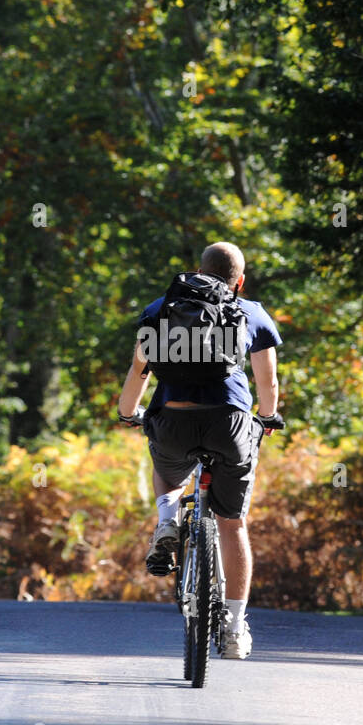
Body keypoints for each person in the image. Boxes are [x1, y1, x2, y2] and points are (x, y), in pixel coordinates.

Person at [116, 242, 284, 659]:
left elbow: (140, 368)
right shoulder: (252, 312)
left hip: (172, 420)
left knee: (170, 472)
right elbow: (268, 384)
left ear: (198, 271)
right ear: (239, 281)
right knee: (232, 523)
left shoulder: (160, 308)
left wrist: (127, 412)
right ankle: (233, 629)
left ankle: (168, 520)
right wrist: (267, 417)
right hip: (228, 423)